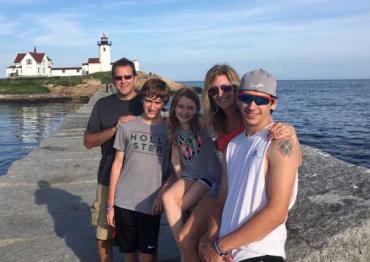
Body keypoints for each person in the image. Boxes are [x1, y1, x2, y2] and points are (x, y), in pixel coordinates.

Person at [199, 69, 300, 262]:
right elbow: (222, 200)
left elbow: (277, 213)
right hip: (229, 252)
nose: (252, 106)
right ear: (238, 99)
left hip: (259, 253)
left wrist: (219, 247)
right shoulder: (233, 145)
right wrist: (212, 237)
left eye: (261, 100)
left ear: (273, 103)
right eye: (246, 98)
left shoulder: (279, 142)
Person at [106, 78, 174, 262]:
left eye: (158, 102)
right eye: (149, 101)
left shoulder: (169, 131)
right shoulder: (127, 127)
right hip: (124, 202)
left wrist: (162, 194)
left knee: (147, 255)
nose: (152, 107)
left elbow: (175, 169)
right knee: (128, 254)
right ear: (142, 99)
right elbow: (117, 165)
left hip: (151, 204)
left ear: (164, 103)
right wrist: (110, 206)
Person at [84, 57, 142, 262]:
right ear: (113, 80)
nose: (123, 81)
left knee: (138, 237)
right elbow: (89, 141)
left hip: (139, 183)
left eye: (128, 76)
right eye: (118, 77)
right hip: (108, 176)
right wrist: (115, 128)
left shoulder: (147, 103)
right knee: (103, 234)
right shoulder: (102, 105)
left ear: (135, 78)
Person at [162, 87, 222, 261]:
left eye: (190, 108)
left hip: (208, 177)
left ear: (197, 110)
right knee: (168, 199)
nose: (185, 111)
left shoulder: (202, 124)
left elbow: (221, 119)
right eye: (181, 106)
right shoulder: (173, 128)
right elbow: (175, 160)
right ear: (174, 108)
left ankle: (186, 246)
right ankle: (183, 248)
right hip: (189, 175)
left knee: (180, 205)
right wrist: (181, 181)